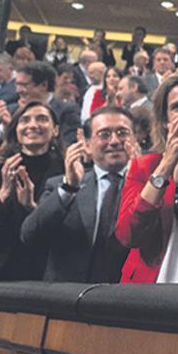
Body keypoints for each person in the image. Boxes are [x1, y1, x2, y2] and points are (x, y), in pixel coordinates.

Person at [116, 72, 178, 284]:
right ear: (164, 122)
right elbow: (128, 234)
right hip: (144, 293)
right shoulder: (144, 166)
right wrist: (165, 166)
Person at [21, 107, 137, 283]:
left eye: (122, 133)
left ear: (135, 139)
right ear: (87, 144)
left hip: (125, 299)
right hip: (66, 298)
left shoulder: (149, 186)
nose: (114, 141)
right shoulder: (59, 185)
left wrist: (139, 180)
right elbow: (30, 234)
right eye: (104, 134)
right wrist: (69, 187)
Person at [0, 101, 64, 280]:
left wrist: (33, 210)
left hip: (46, 277)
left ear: (55, 130)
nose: (33, 125)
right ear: (16, 131)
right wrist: (2, 197)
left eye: (42, 119)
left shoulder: (68, 174)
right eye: (25, 120)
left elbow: (65, 241)